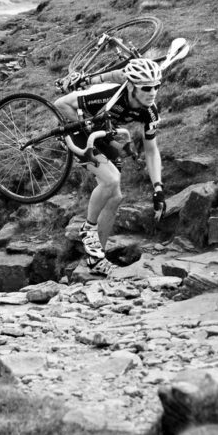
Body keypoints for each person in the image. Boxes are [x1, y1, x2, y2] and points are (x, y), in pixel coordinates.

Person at [54, 58, 167, 276]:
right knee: (111, 179)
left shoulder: (149, 111)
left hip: (102, 135)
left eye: (156, 87)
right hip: (77, 132)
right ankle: (88, 230)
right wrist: (87, 125)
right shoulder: (109, 96)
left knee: (115, 197)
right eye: (146, 88)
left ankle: (96, 259)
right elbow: (61, 104)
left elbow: (152, 151)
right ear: (132, 86)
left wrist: (158, 188)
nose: (152, 92)